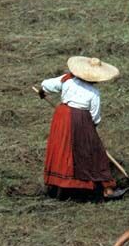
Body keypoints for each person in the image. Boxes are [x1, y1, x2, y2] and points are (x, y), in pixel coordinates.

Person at [39, 56, 124, 201]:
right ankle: (107, 189)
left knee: (62, 148)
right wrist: (90, 132)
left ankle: (58, 188)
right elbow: (95, 117)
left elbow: (46, 85)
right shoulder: (93, 93)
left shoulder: (67, 79)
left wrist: (42, 91)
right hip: (81, 120)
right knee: (94, 152)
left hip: (62, 116)